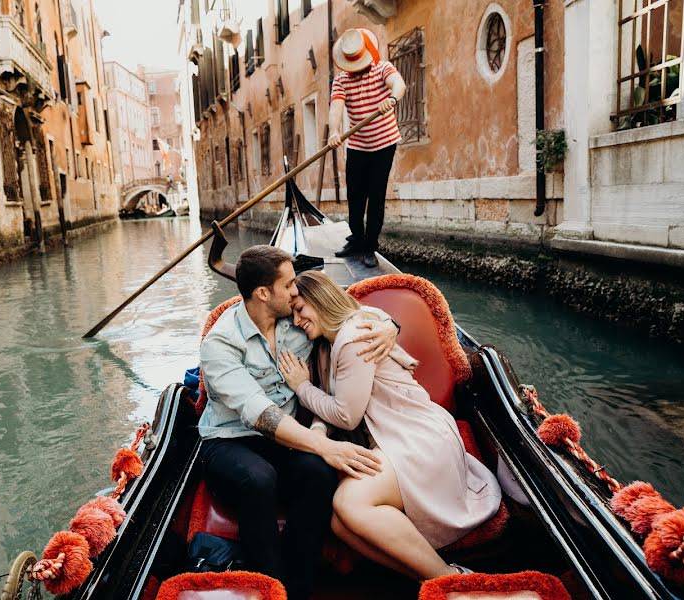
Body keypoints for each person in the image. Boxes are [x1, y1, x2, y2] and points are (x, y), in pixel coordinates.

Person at [198, 245, 400, 600]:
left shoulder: (294, 318)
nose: (296, 291)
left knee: (317, 475)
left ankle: (300, 587)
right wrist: (326, 445)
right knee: (259, 478)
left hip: (286, 441)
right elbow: (258, 412)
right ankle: (271, 589)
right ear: (263, 293)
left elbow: (347, 310)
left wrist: (388, 325)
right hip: (229, 442)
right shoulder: (220, 343)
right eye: (289, 284)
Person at [277, 270, 503, 581]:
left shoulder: (354, 336)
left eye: (300, 309)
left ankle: (454, 580)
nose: (297, 321)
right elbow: (331, 402)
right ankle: (434, 579)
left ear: (321, 299)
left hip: (418, 437)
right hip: (395, 438)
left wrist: (302, 388)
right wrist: (317, 432)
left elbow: (345, 416)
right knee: (338, 522)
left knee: (349, 502)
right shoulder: (329, 343)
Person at [328, 28, 407, 268]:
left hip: (384, 144)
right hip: (358, 145)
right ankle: (357, 240)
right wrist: (334, 131)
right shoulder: (341, 79)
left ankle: (370, 247)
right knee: (355, 197)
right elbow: (336, 108)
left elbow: (399, 84)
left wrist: (392, 98)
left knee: (376, 197)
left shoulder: (383, 68)